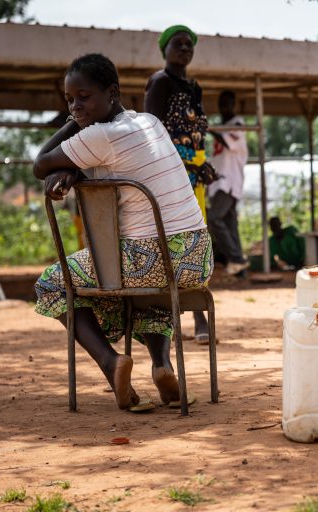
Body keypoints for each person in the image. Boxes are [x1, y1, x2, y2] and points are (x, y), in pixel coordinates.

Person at [33, 53, 213, 411]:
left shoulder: (101, 136)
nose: (76, 106)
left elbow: (41, 163)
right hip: (196, 256)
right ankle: (162, 365)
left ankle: (110, 361)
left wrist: (73, 127)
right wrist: (75, 167)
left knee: (52, 283)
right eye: (70, 101)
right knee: (147, 285)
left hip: (150, 260)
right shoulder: (150, 122)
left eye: (83, 97)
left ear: (112, 92)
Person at [145, 25, 215, 344]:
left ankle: (196, 312)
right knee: (174, 241)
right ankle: (174, 318)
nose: (185, 48)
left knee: (196, 241)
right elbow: (152, 131)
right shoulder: (159, 82)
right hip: (172, 174)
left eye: (189, 44)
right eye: (178, 43)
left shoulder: (193, 88)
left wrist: (203, 163)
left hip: (195, 174)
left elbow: (195, 135)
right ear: (165, 48)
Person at [207, 90, 249, 276]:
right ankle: (239, 266)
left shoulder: (237, 124)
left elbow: (227, 142)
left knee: (214, 218)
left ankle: (236, 258)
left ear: (233, 104)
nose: (224, 107)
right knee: (230, 223)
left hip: (229, 180)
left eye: (227, 103)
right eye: (221, 103)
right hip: (219, 181)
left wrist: (208, 127)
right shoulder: (223, 126)